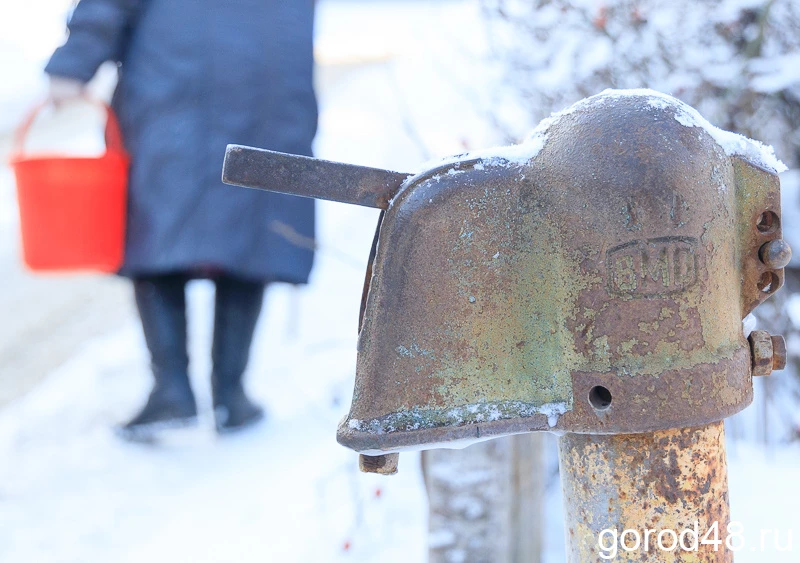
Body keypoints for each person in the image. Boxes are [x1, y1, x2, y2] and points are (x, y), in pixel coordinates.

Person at [44, 0, 317, 437]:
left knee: (157, 225)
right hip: (268, 79)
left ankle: (172, 388)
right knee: (251, 224)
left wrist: (74, 62)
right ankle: (230, 394)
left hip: (174, 74)